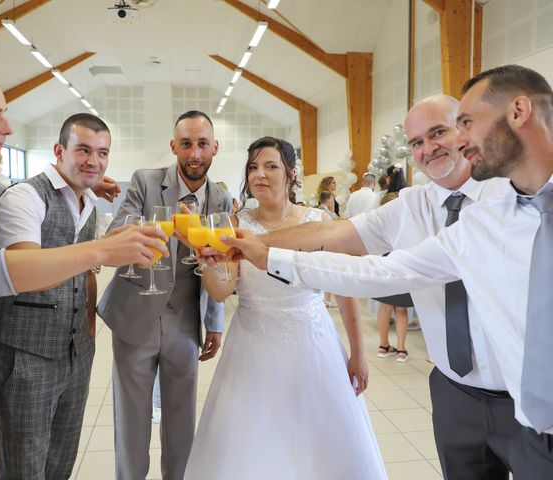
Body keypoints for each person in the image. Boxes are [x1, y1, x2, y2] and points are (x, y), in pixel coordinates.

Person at [227, 65, 553, 479]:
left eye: (448, 129)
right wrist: (262, 250)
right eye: (416, 141)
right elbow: (374, 268)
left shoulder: (503, 201)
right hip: (462, 393)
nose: (432, 147)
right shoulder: (471, 221)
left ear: (519, 111)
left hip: (522, 399)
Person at [0, 56, 166, 480]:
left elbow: (20, 192)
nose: (7, 127)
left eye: (101, 153)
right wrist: (101, 251)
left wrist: (80, 180)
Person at [184, 137, 386, 479]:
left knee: (319, 442)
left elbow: (344, 288)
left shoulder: (318, 220)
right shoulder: (235, 223)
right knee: (251, 440)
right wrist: (206, 259)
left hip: (312, 342)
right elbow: (221, 291)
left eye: (270, 166)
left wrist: (358, 353)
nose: (259, 174)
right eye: (253, 167)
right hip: (252, 345)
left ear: (290, 174)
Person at [97, 110, 232, 480]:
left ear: (215, 147)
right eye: (186, 144)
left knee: (181, 422)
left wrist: (214, 323)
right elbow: (117, 230)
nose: (194, 153)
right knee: (131, 423)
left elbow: (222, 263)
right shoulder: (145, 181)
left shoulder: (221, 197)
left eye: (202, 144)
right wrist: (161, 226)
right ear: (174, 146)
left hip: (185, 322)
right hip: (136, 314)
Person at [0, 113, 112, 478]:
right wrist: (105, 251)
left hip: (77, 352)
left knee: (61, 459)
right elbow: (25, 271)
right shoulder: (25, 196)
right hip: (26, 354)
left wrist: (87, 331)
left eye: (102, 153)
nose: (94, 161)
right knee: (24, 466)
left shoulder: (87, 202)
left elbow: (85, 274)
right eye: (83, 150)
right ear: (60, 150)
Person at [375, 165, 411, 362]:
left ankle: (383, 345)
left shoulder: (383, 201)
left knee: (385, 306)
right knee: (401, 308)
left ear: (387, 178)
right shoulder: (407, 198)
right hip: (403, 256)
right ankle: (402, 349)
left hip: (386, 256)